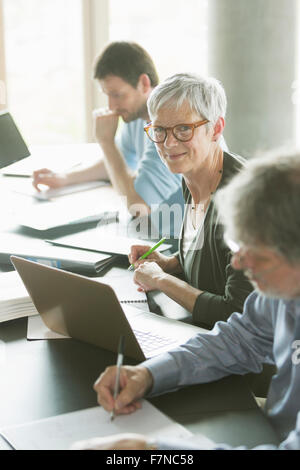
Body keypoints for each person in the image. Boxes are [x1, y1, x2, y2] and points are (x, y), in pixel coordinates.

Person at [74, 149, 300, 450]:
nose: (238, 264)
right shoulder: (280, 291)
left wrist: (155, 452)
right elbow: (238, 340)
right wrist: (148, 375)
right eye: (237, 244)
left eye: (257, 254)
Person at [129, 73, 252, 328]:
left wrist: (161, 280)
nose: (169, 143)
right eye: (160, 130)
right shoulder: (193, 176)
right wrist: (169, 264)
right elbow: (216, 260)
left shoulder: (245, 204)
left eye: (184, 129)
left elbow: (236, 314)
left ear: (216, 129)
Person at [32, 42, 184, 217]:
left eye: (117, 95)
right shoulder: (137, 116)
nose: (112, 106)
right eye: (107, 95)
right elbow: (117, 162)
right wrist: (65, 178)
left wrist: (106, 142)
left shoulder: (168, 129)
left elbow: (138, 207)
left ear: (143, 83)